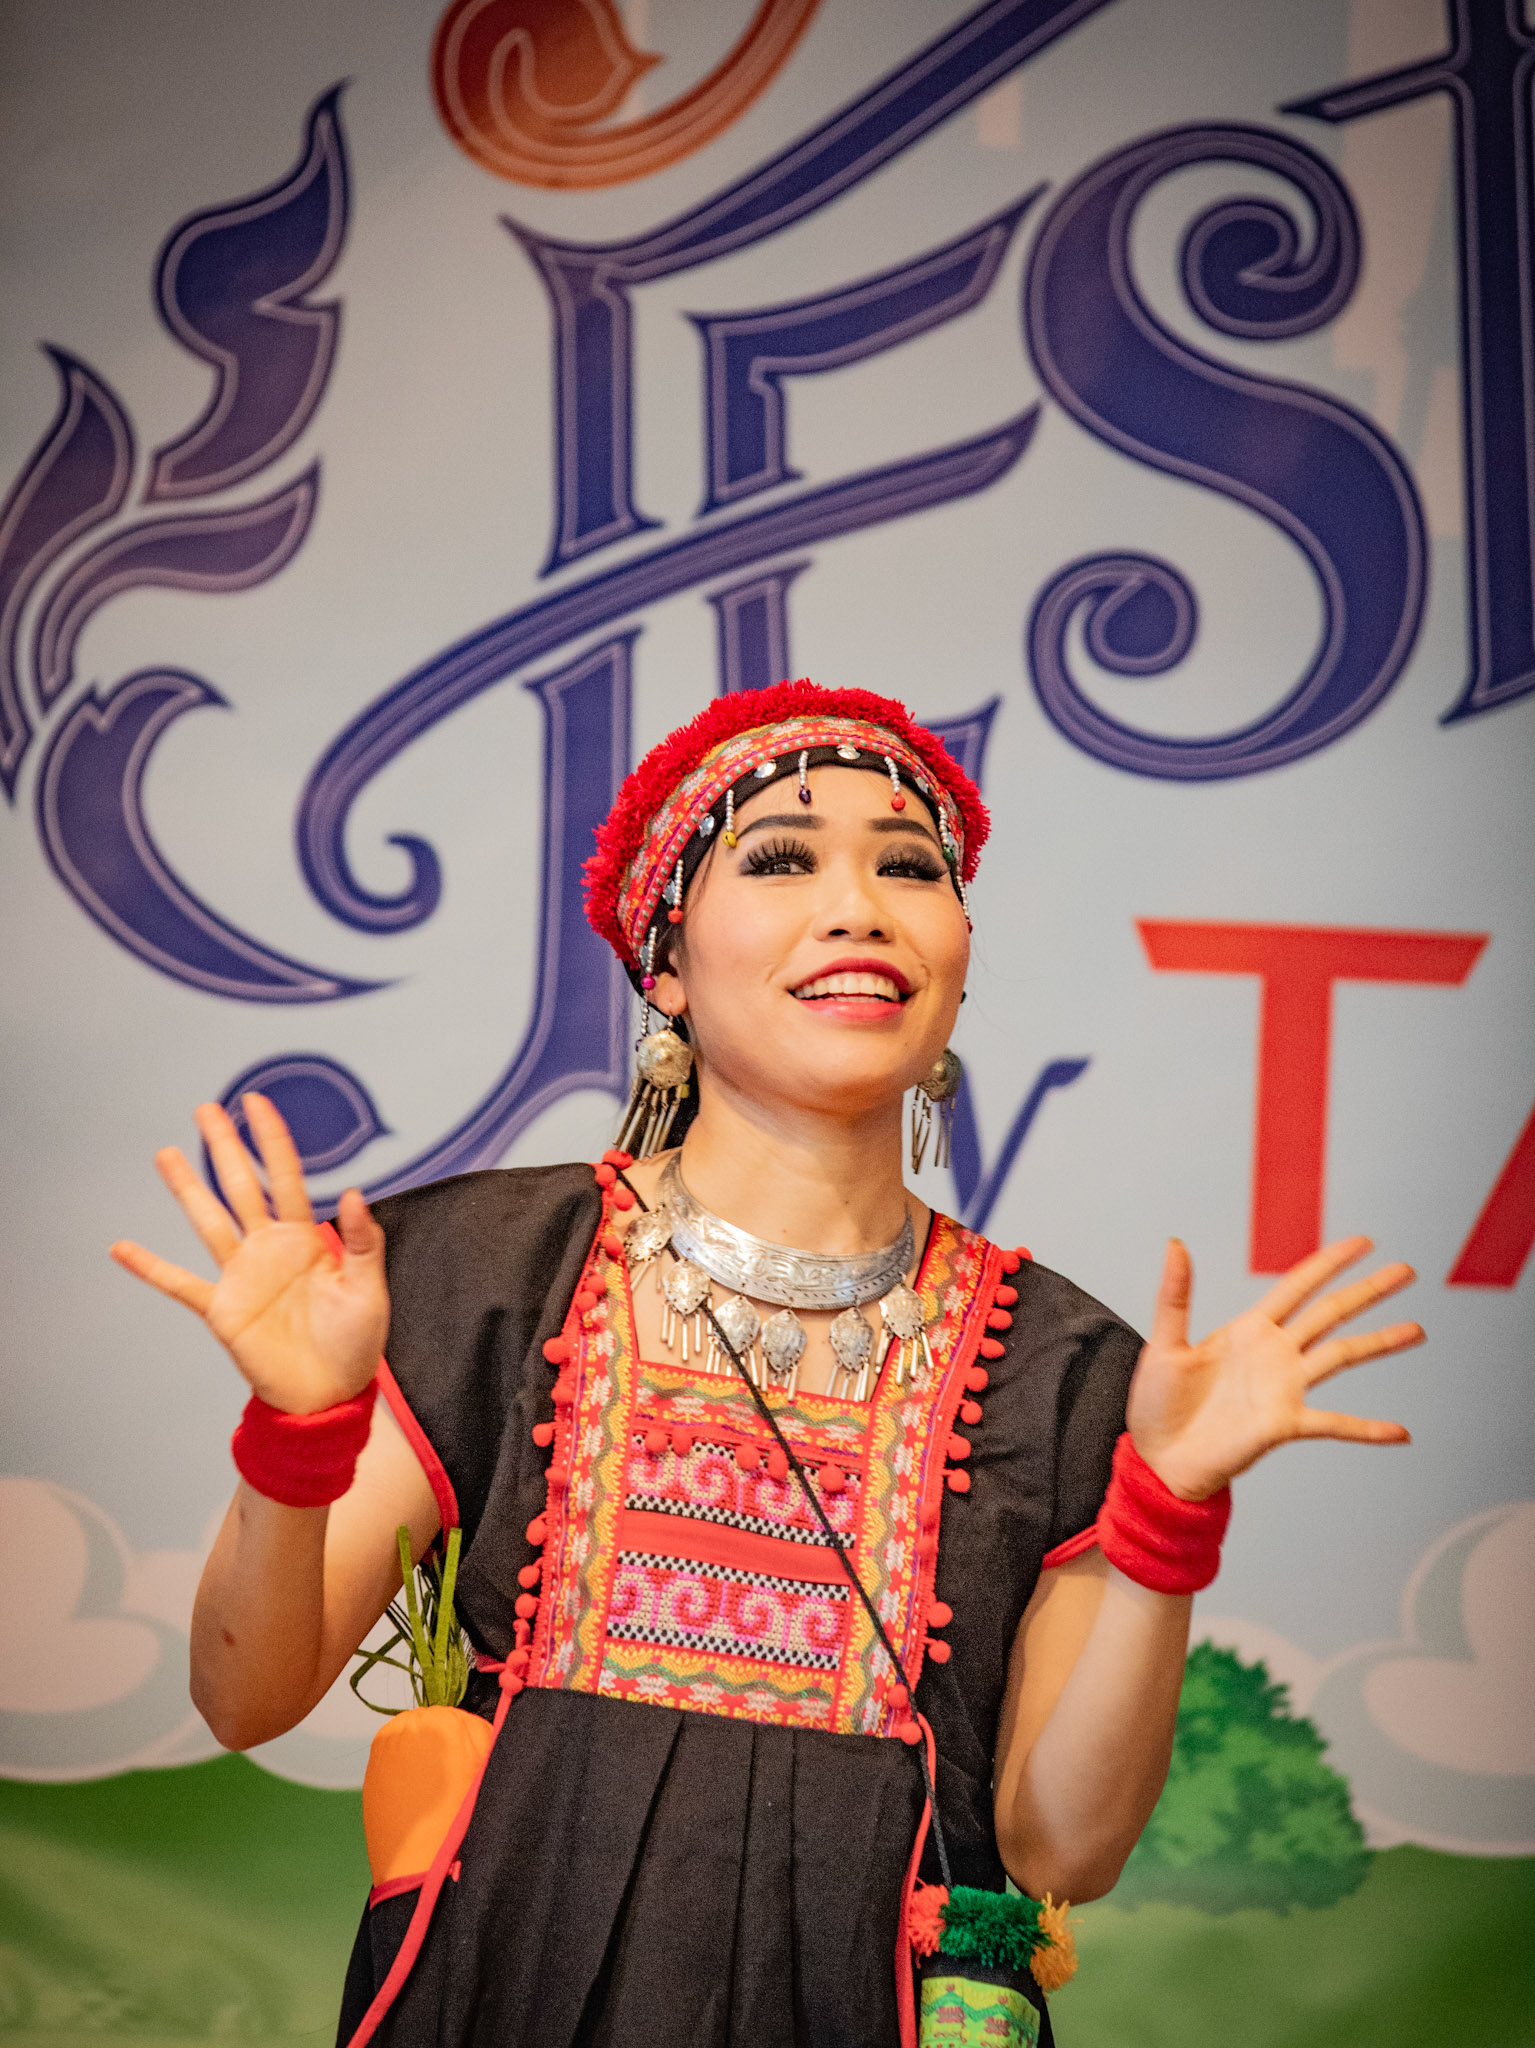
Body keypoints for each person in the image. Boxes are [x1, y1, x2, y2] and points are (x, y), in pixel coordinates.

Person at [111, 681, 1423, 2048]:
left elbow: (1062, 1852)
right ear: (666, 967)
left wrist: (1166, 1516)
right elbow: (246, 1695)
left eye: (907, 868)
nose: (858, 907)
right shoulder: (479, 1274)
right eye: (783, 858)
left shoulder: (1072, 1370)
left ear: (957, 952)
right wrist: (298, 1430)